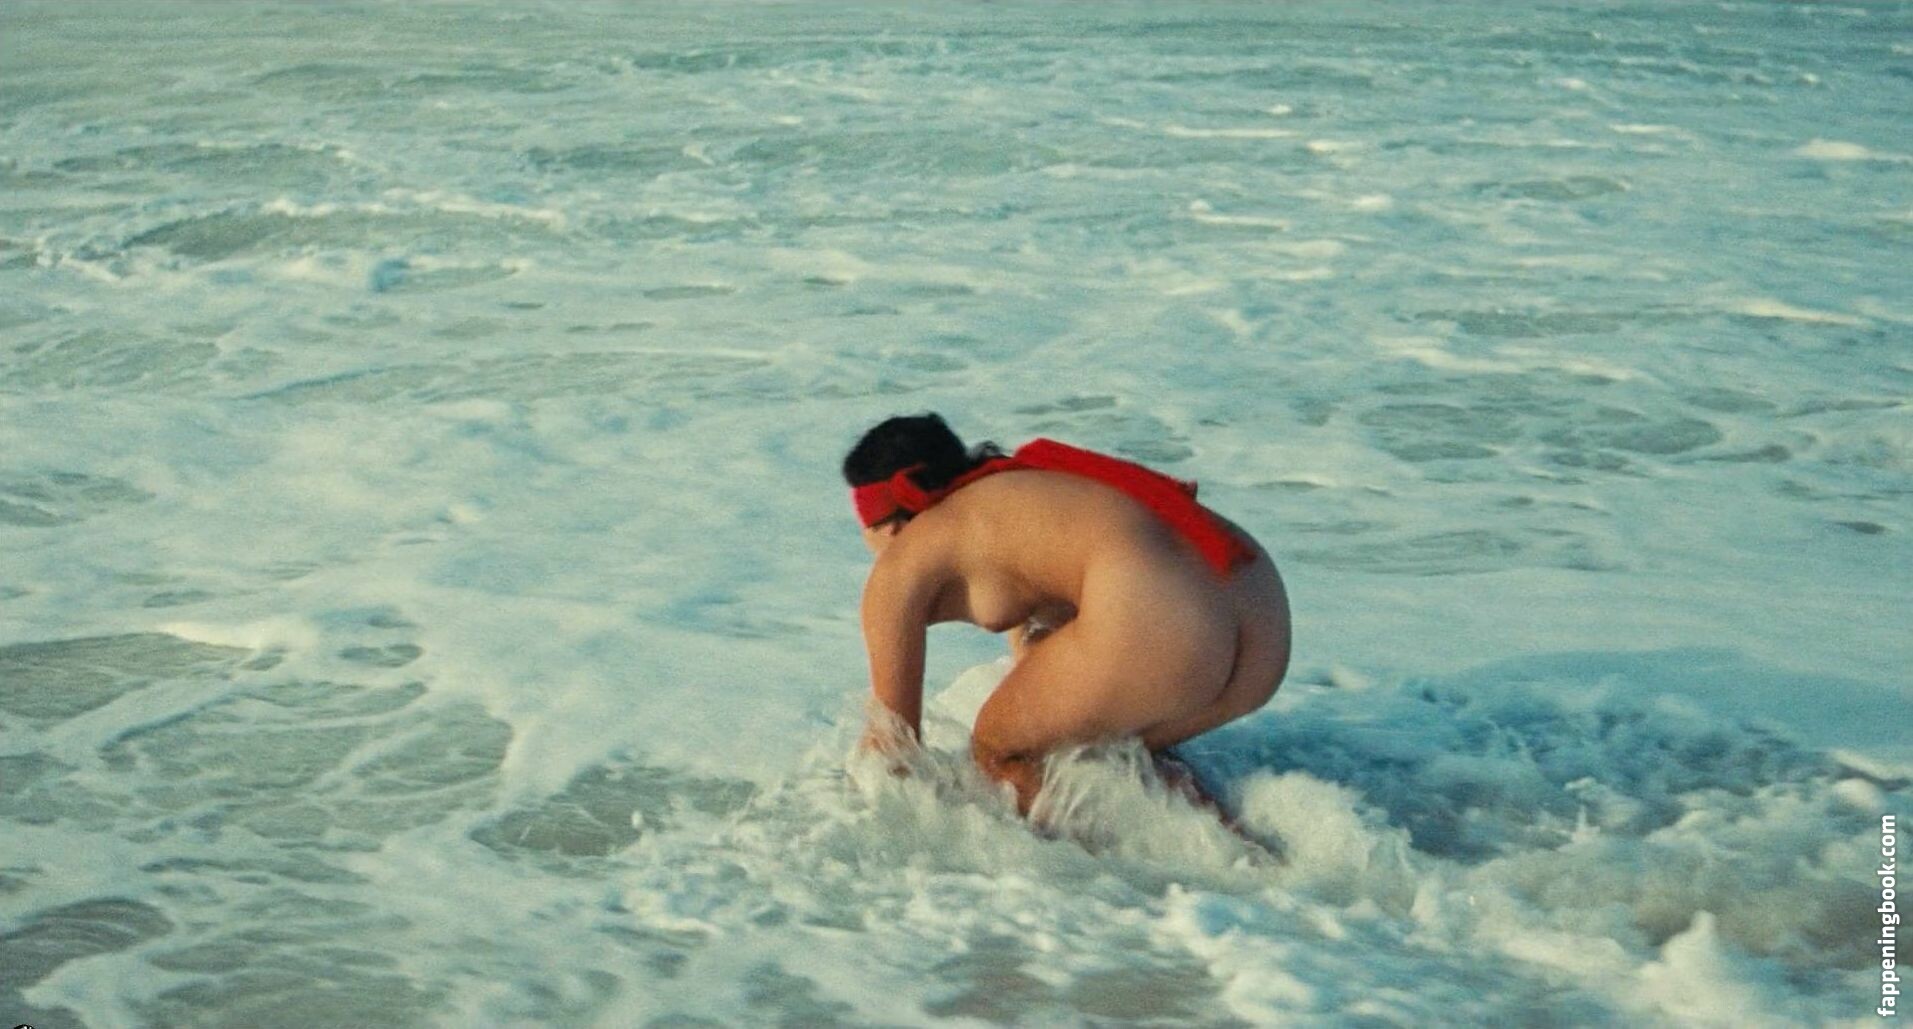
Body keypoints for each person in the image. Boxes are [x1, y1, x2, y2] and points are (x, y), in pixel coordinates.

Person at [843, 413, 1291, 815]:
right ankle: (1246, 855)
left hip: (1168, 623)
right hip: (1259, 618)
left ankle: (1110, 874)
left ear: (886, 524)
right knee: (1095, 751)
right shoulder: (1023, 492)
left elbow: (894, 744)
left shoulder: (902, 562)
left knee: (1002, 751)